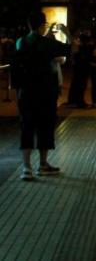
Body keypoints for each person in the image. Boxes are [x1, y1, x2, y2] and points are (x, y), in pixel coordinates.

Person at [12, 12, 71, 181]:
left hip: (25, 92)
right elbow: (68, 49)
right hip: (45, 91)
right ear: (42, 25)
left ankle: (26, 168)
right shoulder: (48, 43)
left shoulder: (20, 41)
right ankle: (43, 165)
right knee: (45, 126)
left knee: (27, 127)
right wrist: (66, 34)